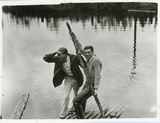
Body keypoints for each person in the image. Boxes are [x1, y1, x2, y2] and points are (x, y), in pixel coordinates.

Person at [43, 47, 84, 118]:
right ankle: (63, 114)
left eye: (60, 54)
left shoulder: (74, 58)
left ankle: (72, 110)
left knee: (75, 96)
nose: (58, 56)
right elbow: (45, 58)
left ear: (66, 55)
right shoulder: (58, 58)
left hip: (77, 78)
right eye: (58, 55)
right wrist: (55, 52)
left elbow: (83, 65)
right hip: (68, 79)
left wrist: (80, 56)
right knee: (65, 96)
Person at [73, 45, 102, 119]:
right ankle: (82, 116)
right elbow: (82, 55)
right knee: (82, 100)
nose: (87, 54)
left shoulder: (96, 60)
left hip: (91, 86)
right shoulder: (89, 59)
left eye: (89, 52)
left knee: (76, 101)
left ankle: (81, 119)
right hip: (87, 83)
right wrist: (79, 53)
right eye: (85, 53)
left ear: (92, 52)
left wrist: (95, 88)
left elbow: (98, 75)